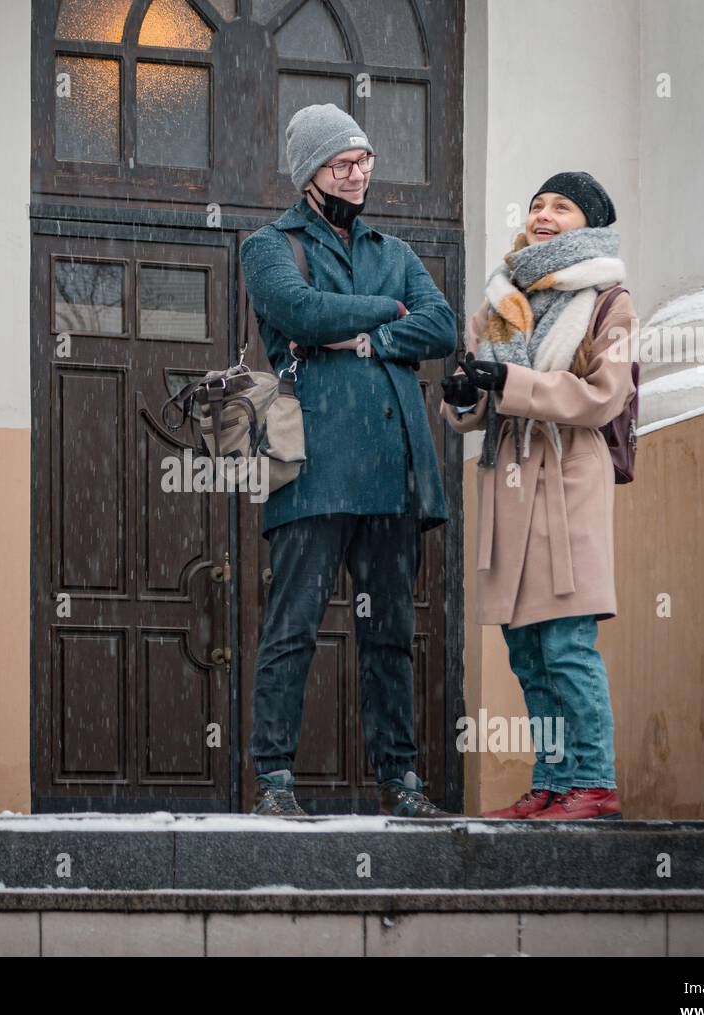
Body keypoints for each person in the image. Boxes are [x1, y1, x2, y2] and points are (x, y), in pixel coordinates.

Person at [239, 103, 458, 818]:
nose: (358, 174)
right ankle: (273, 781)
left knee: (390, 638)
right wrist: (386, 313)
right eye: (342, 163)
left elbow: (441, 327)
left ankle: (401, 781)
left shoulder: (395, 251)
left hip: (395, 474)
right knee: (292, 628)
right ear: (309, 174)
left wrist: (366, 334)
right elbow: (300, 312)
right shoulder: (269, 245)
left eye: (364, 160)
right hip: (313, 471)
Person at [440, 171, 635, 820]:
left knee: (567, 646)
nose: (545, 213)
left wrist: (512, 380)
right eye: (538, 205)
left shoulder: (609, 299)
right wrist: (465, 397)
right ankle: (553, 783)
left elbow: (604, 396)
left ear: (593, 224)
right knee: (526, 652)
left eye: (563, 206)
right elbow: (475, 406)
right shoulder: (501, 301)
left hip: (567, 484)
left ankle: (594, 782)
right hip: (511, 489)